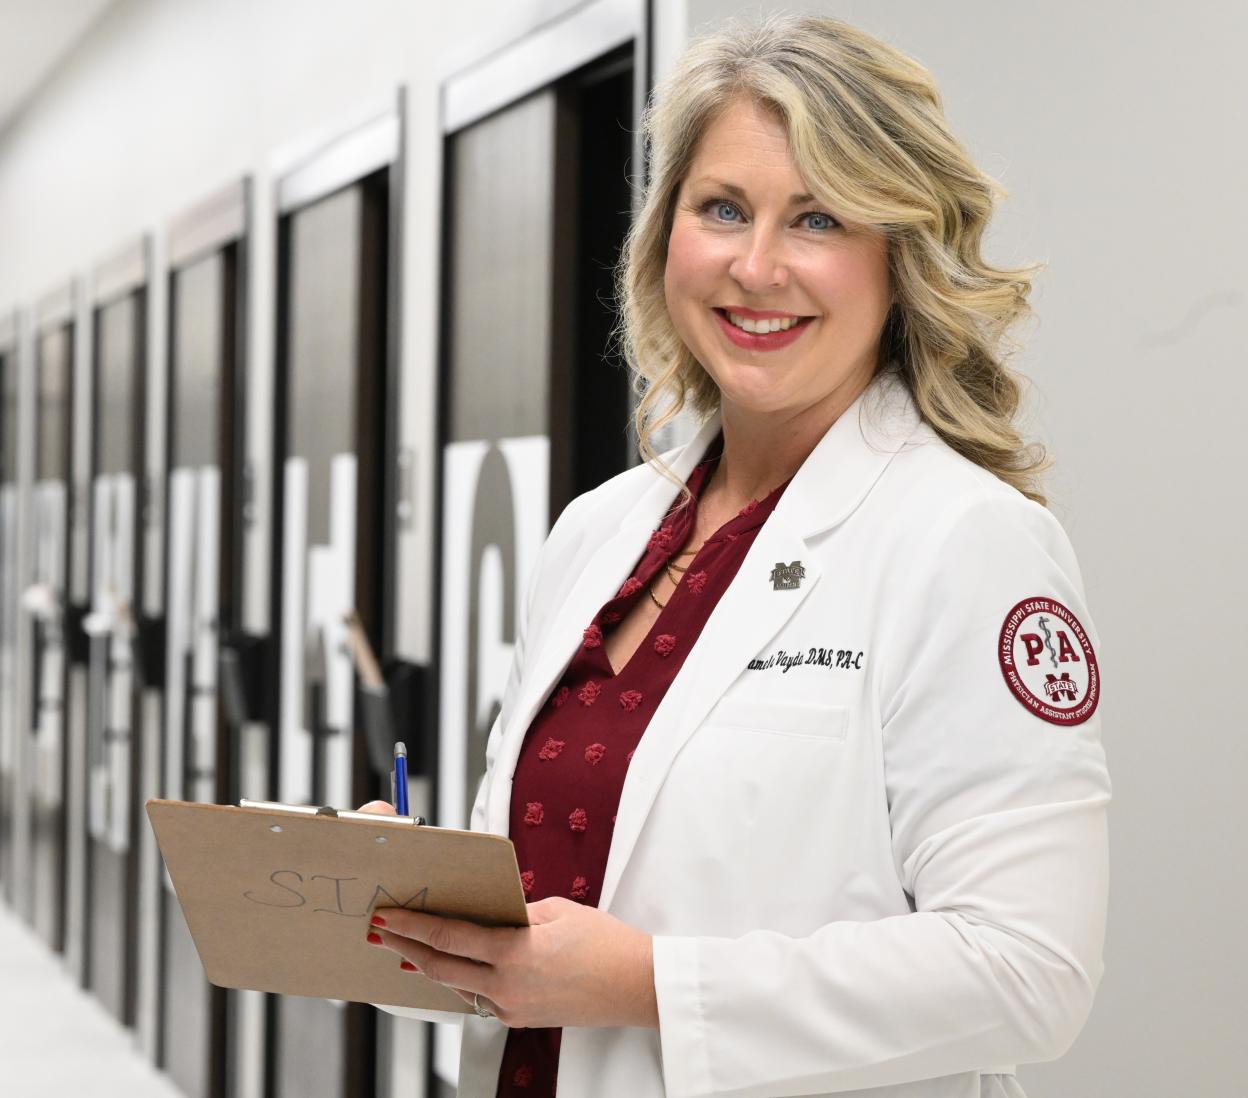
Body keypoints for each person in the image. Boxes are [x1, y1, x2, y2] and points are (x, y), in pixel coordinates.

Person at [356, 12, 1108, 1098]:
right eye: (722, 209)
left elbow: (1030, 970)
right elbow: (547, 918)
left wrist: (652, 984)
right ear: (667, 235)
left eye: (817, 218)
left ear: (897, 259)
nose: (756, 267)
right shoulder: (597, 532)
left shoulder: (965, 541)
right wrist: (420, 898)